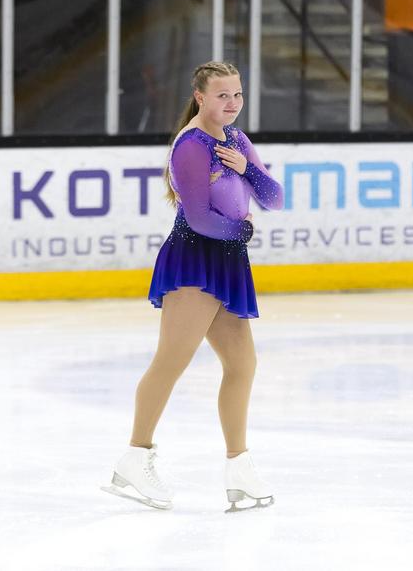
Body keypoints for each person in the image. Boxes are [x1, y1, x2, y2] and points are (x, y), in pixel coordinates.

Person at [101, 61, 284, 513]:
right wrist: (243, 230)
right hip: (194, 260)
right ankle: (134, 458)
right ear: (200, 97)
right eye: (223, 95)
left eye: (237, 94)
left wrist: (248, 168)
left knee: (242, 364)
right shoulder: (190, 145)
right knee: (171, 360)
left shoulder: (236, 140)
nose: (233, 103)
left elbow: (274, 197)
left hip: (227, 262)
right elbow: (200, 219)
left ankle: (239, 468)